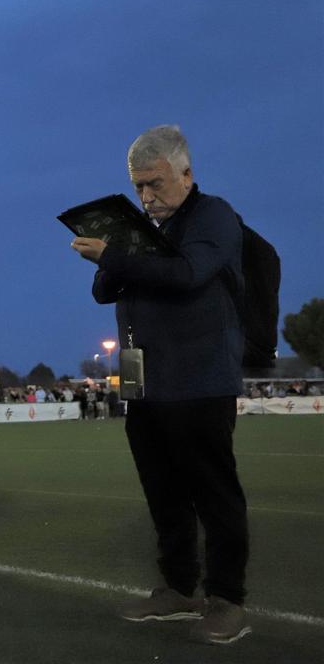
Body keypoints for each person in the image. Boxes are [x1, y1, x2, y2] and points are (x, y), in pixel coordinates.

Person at [71, 125, 250, 645]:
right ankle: (178, 587)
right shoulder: (141, 229)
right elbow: (103, 291)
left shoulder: (213, 215)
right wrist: (113, 254)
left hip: (199, 378)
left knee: (214, 492)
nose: (146, 196)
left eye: (155, 183)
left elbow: (189, 273)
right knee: (163, 491)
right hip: (141, 380)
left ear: (186, 174)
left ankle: (227, 598)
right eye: (138, 187)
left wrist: (115, 254)